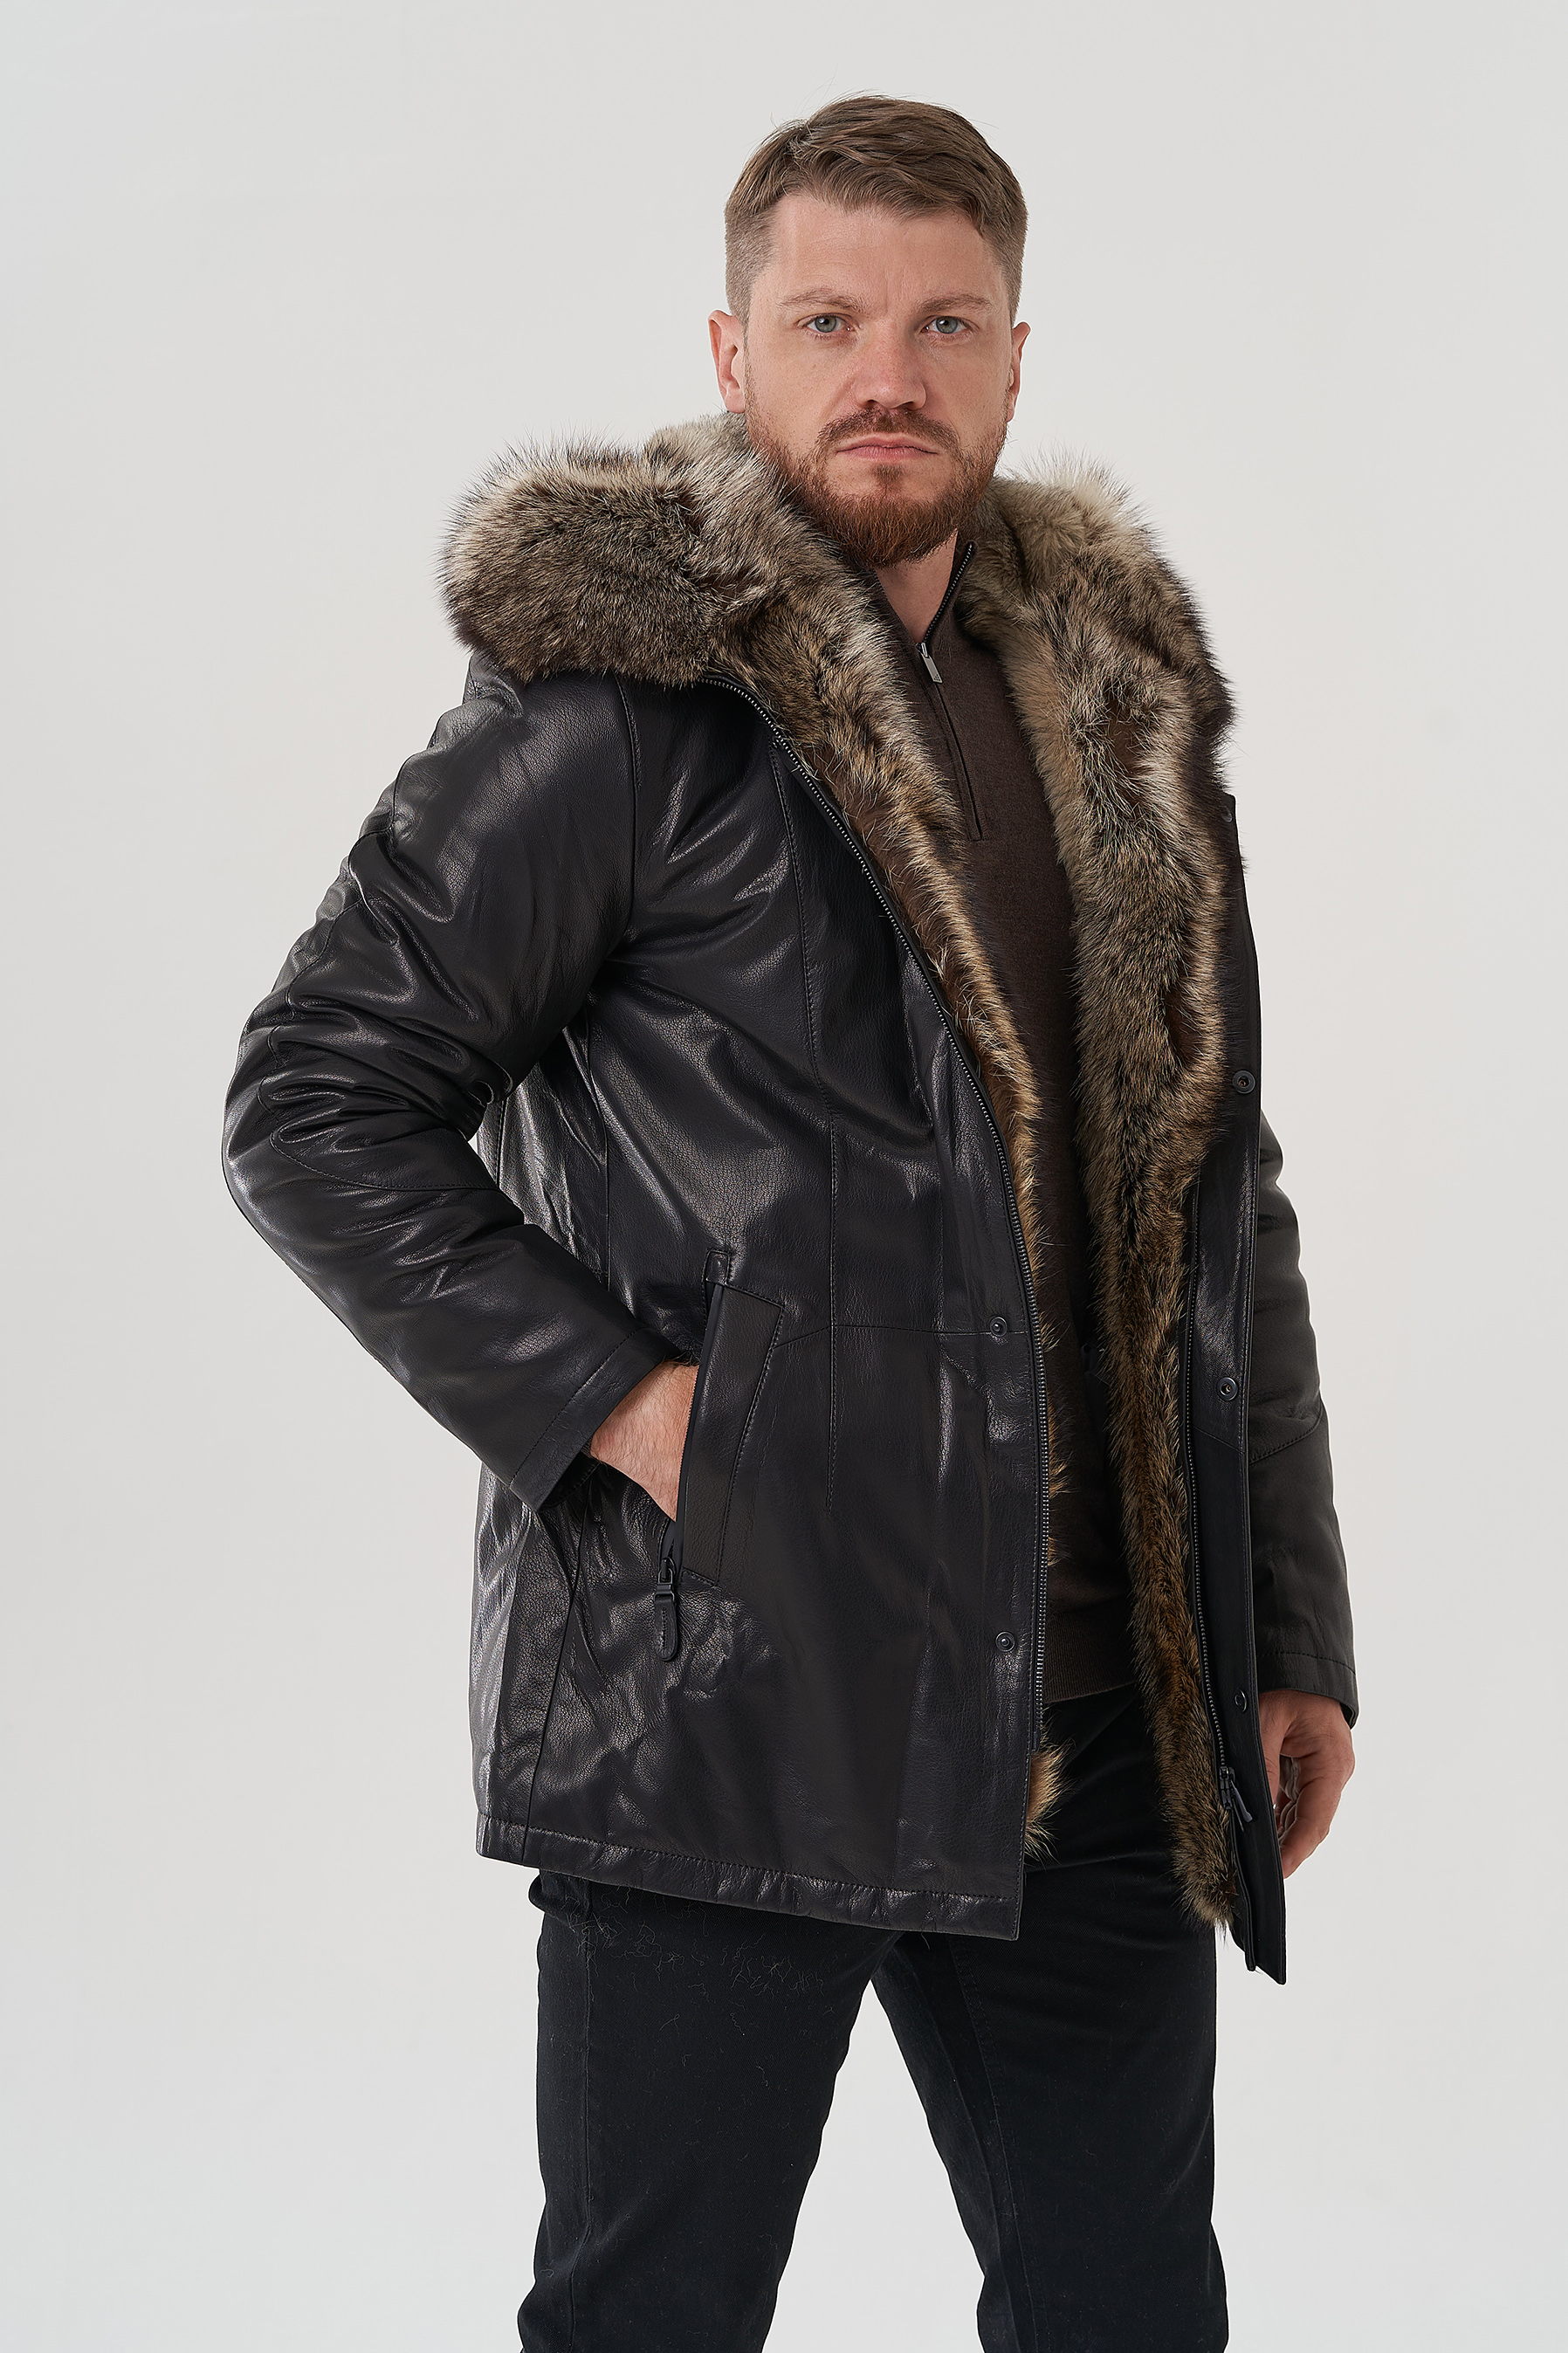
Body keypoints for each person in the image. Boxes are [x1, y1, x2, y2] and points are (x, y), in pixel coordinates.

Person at [224, 94, 1357, 2353]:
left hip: (1090, 1714)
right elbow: (313, 1099)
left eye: (944, 324)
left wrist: (1283, 1621)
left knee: (1131, 2307)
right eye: (829, 321)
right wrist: (637, 1410)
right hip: (728, 1695)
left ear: (1015, 357)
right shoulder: (616, 716)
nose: (887, 375)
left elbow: (1213, 1188)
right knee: (652, 2316)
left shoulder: (1110, 726)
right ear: (733, 350)